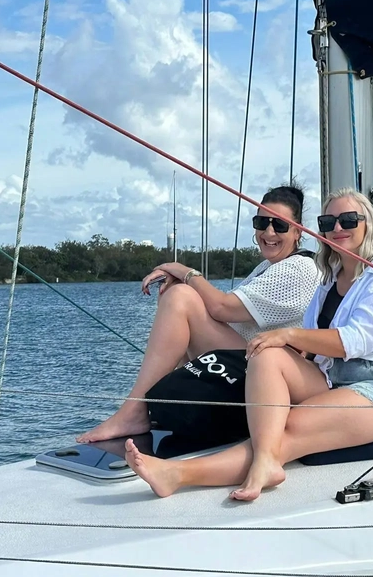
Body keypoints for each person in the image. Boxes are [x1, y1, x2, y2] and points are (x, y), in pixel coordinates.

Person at [123, 187, 373, 501]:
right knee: (266, 352)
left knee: (288, 428)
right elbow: (312, 344)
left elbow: (356, 340)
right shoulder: (329, 279)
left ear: (368, 225)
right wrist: (281, 355)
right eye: (328, 221)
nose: (337, 228)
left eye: (348, 220)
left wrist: (288, 336)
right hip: (333, 379)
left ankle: (179, 474)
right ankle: (264, 459)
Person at [77, 184, 321, 444]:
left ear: (298, 232)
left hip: (271, 375)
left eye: (280, 225)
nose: (269, 232)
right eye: (262, 222)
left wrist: (183, 272)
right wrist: (183, 286)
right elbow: (222, 314)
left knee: (182, 299)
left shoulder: (300, 269)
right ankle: (163, 402)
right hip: (249, 360)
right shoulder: (268, 266)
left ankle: (134, 410)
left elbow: (222, 307)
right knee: (181, 297)